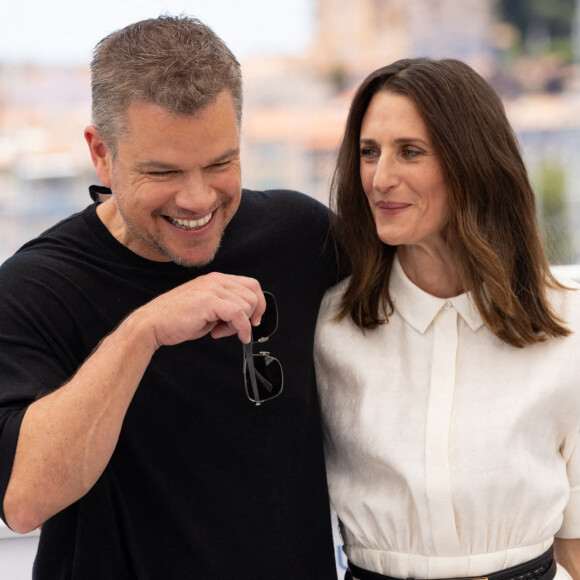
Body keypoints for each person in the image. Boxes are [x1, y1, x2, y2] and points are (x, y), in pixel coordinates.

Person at [0, 15, 340, 579]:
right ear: (101, 153)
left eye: (220, 163)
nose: (197, 197)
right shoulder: (34, 288)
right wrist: (144, 330)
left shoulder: (301, 235)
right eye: (162, 171)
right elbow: (24, 499)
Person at [314, 58, 580, 580]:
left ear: (472, 162)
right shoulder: (328, 329)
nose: (380, 178)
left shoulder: (567, 323)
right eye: (369, 153)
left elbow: (575, 543)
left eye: (409, 152)